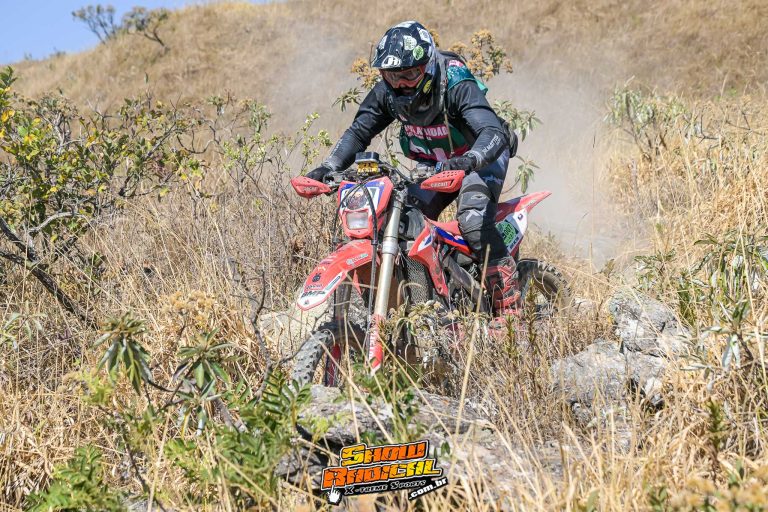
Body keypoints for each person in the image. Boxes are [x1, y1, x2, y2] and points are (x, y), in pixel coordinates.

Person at [307, 20, 520, 315]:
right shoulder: (386, 92)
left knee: (472, 219)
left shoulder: (455, 81)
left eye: (410, 74)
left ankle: (509, 310)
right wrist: (327, 167)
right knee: (404, 223)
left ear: (428, 66)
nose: (402, 84)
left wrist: (469, 160)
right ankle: (428, 301)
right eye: (393, 76)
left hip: (479, 158)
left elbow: (493, 133)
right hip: (433, 167)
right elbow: (358, 133)